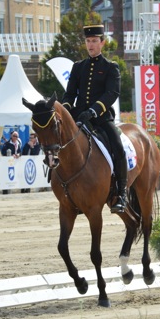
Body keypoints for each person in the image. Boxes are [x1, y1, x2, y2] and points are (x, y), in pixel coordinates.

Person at [62, 24, 127, 213]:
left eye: (94, 41)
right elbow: (69, 94)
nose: (90, 45)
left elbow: (111, 93)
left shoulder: (110, 67)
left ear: (102, 43)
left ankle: (122, 193)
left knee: (117, 145)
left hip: (100, 117)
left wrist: (93, 111)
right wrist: (67, 111)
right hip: (78, 116)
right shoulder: (78, 67)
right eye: (88, 41)